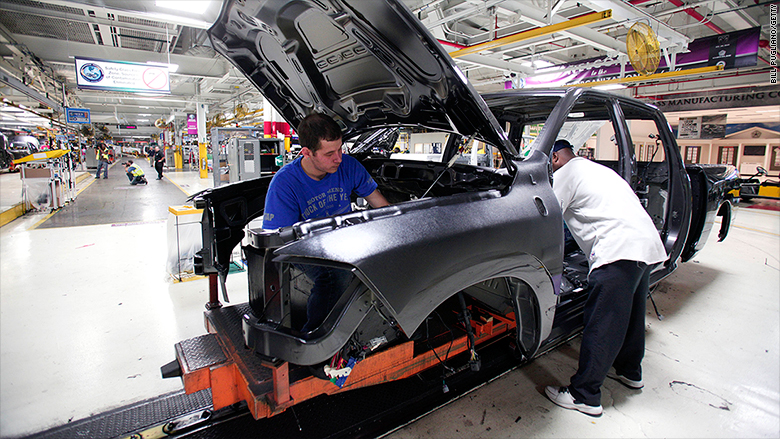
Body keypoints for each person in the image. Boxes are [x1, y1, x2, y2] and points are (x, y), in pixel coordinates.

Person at [544, 139, 667, 417]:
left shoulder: (566, 173)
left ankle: (585, 395)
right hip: (644, 247)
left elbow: (548, 218)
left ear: (554, 159)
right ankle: (629, 371)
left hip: (617, 250)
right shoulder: (597, 170)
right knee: (631, 317)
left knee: (602, 323)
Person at [263, 112, 389, 333]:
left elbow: (380, 204)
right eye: (330, 153)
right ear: (307, 153)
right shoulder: (285, 183)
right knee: (334, 276)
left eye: (340, 149)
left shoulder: (349, 166)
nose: (338, 158)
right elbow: (280, 240)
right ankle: (315, 337)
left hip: (342, 238)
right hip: (305, 247)